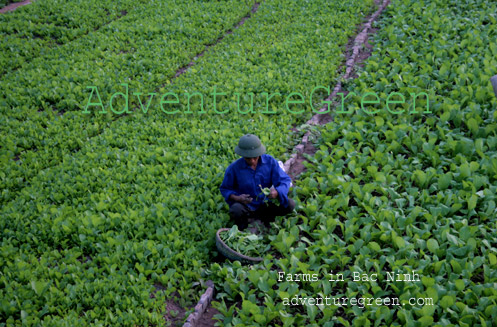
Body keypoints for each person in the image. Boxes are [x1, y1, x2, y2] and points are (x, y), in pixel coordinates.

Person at [220, 134, 296, 230]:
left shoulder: (270, 162)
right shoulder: (234, 168)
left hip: (267, 203)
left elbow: (285, 180)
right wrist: (238, 198)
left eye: (255, 157)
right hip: (247, 205)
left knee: (290, 204)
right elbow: (225, 189)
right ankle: (243, 227)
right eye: (248, 158)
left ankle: (267, 218)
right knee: (236, 210)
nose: (252, 161)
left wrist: (277, 192)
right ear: (242, 155)